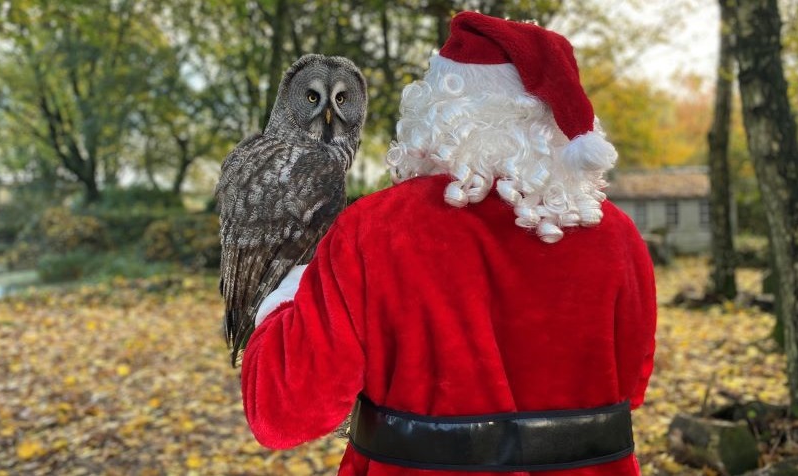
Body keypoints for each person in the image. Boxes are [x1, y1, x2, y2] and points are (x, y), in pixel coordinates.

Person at [241, 11, 656, 476]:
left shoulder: (373, 230)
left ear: (436, 111)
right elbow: (631, 389)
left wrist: (282, 305)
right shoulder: (618, 237)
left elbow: (284, 413)